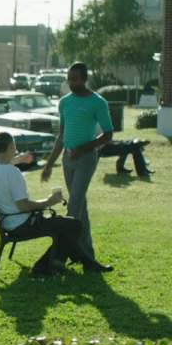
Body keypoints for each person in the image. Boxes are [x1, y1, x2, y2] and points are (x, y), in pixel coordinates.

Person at [0, 132, 113, 276]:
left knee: (65, 225)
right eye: (14, 145)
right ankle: (44, 267)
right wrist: (49, 201)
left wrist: (19, 159)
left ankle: (65, 262)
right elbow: (23, 206)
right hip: (22, 224)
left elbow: (3, 167)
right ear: (11, 146)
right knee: (74, 225)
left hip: (7, 222)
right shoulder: (13, 174)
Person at [41, 62, 114, 261]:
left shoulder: (97, 102)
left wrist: (83, 148)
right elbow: (61, 135)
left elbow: (108, 135)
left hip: (86, 159)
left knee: (73, 207)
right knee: (80, 206)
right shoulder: (65, 102)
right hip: (68, 159)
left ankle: (60, 257)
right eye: (69, 78)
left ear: (84, 79)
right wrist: (49, 164)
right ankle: (86, 255)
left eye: (75, 79)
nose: (71, 83)